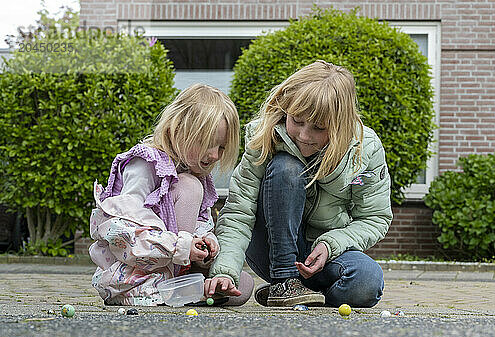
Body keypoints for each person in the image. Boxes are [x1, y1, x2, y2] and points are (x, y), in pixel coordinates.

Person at [206, 60, 392, 307]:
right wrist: (225, 270)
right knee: (286, 168)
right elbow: (240, 211)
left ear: (340, 125)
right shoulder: (265, 138)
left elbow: (374, 218)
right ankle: (284, 283)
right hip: (270, 251)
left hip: (325, 255)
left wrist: (330, 244)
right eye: (297, 121)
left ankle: (303, 295)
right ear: (286, 111)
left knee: (366, 283)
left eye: (319, 128)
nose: (304, 136)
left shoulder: (365, 149)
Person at [89, 84, 254, 306]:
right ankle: (177, 290)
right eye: (206, 144)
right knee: (189, 186)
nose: (214, 155)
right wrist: (179, 247)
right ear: (176, 129)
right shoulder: (146, 166)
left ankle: (186, 288)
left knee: (242, 286)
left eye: (221, 148)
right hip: (138, 270)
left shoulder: (196, 171)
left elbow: (198, 223)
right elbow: (122, 232)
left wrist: (206, 244)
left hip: (176, 266)